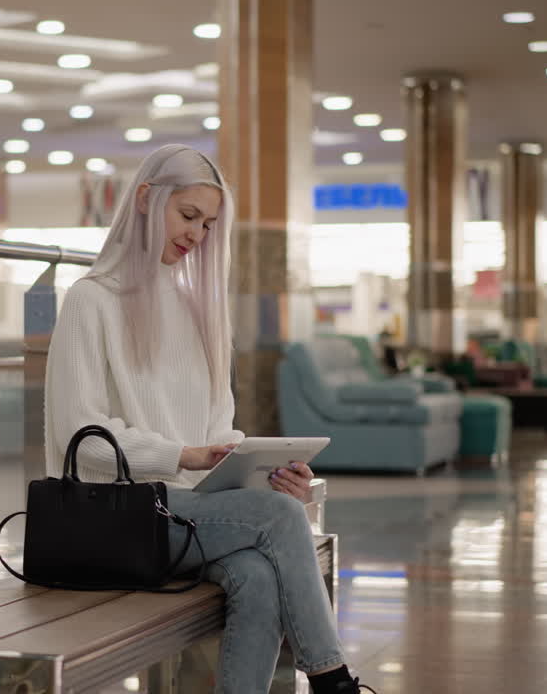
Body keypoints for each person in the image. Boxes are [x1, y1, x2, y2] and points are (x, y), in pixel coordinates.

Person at [44, 144, 374, 694]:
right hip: (120, 518)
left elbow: (220, 431)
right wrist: (182, 455)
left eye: (209, 223)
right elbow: (79, 439)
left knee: (258, 575)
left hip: (187, 516)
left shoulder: (198, 310)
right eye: (189, 215)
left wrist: (260, 471)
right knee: (279, 520)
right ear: (147, 200)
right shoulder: (90, 301)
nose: (198, 234)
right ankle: (333, 681)